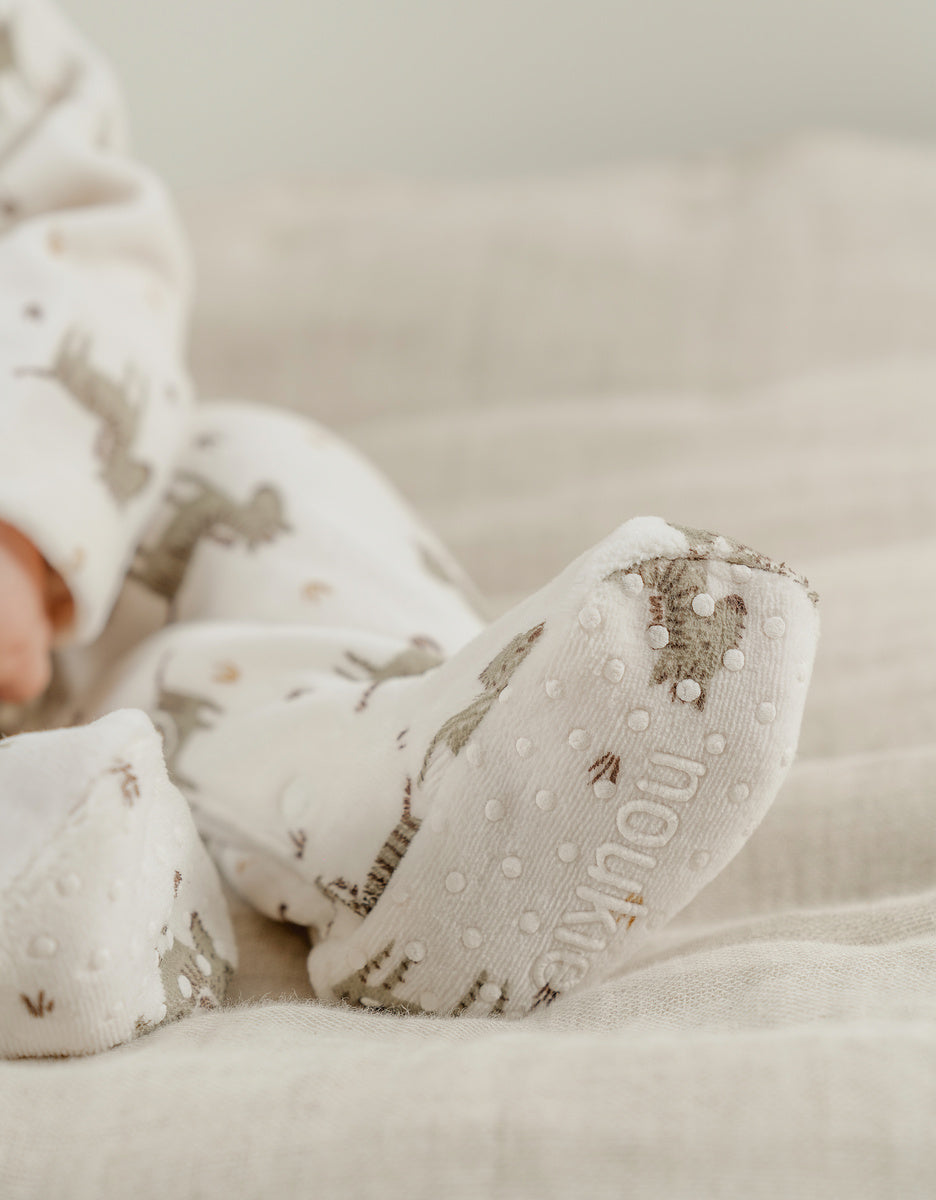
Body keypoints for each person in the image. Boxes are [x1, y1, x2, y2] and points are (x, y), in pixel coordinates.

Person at [0, 0, 819, 1058]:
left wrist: (25, 515)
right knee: (72, 811)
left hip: (66, 568)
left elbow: (77, 247)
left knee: (253, 470)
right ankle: (73, 887)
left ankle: (418, 790)